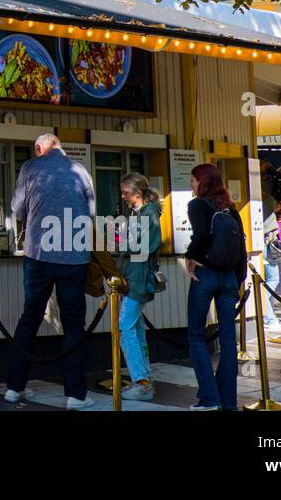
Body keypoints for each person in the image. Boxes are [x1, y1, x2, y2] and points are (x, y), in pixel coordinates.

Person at [5, 133, 97, 410]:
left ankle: (14, 388)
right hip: (74, 256)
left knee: (29, 318)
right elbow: (91, 213)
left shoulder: (30, 168)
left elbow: (17, 209)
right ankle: (76, 395)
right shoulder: (80, 170)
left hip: (39, 255)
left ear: (39, 148)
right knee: (73, 324)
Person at [185, 162, 247, 411]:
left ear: (202, 182)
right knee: (229, 340)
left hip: (206, 275)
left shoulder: (197, 205)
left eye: (193, 180)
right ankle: (228, 400)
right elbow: (241, 247)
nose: (191, 184)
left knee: (197, 335)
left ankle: (209, 398)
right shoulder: (231, 209)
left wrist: (190, 257)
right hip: (230, 277)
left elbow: (200, 235)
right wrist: (238, 280)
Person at [116, 172, 163, 401]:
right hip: (135, 279)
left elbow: (143, 246)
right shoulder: (140, 212)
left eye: (126, 193)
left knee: (125, 328)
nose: (123, 196)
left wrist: (119, 241)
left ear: (138, 193)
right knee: (135, 329)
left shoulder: (148, 213)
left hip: (138, 280)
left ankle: (142, 382)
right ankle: (144, 378)